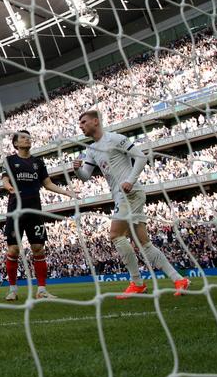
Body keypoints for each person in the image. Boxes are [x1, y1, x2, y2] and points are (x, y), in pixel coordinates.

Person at [73, 110, 190, 299]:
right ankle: (179, 279)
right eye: (80, 123)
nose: (81, 125)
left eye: (84, 122)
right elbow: (85, 176)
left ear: (96, 121)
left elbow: (141, 156)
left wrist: (130, 180)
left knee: (115, 235)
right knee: (143, 242)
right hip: (122, 195)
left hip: (130, 192)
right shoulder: (92, 149)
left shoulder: (115, 138)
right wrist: (77, 170)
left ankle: (137, 283)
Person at [2, 130, 78, 301]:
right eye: (22, 137)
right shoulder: (9, 160)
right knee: (13, 250)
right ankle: (13, 289)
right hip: (16, 209)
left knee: (38, 248)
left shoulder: (38, 162)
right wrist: (8, 187)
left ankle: (41, 290)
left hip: (35, 209)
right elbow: (5, 179)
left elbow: (48, 183)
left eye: (28, 137)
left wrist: (67, 193)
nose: (27, 139)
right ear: (16, 144)